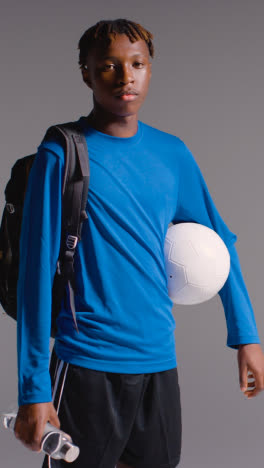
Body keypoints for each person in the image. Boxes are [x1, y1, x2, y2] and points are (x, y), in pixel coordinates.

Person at [14, 18, 264, 468]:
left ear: (150, 70)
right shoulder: (61, 153)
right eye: (108, 65)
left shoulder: (173, 154)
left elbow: (219, 244)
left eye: (137, 64)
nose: (125, 77)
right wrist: (33, 389)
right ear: (86, 73)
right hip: (87, 361)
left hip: (158, 362)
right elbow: (33, 278)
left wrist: (246, 336)